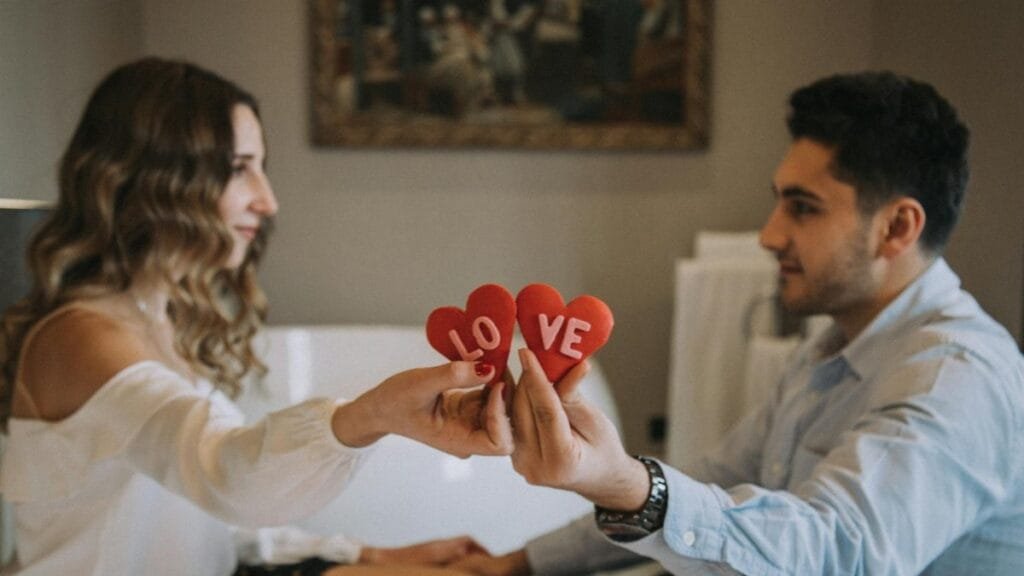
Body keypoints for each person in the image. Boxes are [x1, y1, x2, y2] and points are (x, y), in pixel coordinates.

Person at [454, 72, 1024, 575]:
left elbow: (840, 557)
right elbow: (720, 480)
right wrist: (512, 565)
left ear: (897, 228)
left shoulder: (954, 378)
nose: (769, 235)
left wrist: (628, 485)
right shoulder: (829, 352)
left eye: (802, 207)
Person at [0, 57, 513, 575]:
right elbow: (226, 474)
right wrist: (374, 414)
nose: (267, 202)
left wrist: (363, 554)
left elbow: (204, 518)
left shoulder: (159, 319)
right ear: (160, 178)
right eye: (240, 168)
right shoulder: (83, 338)